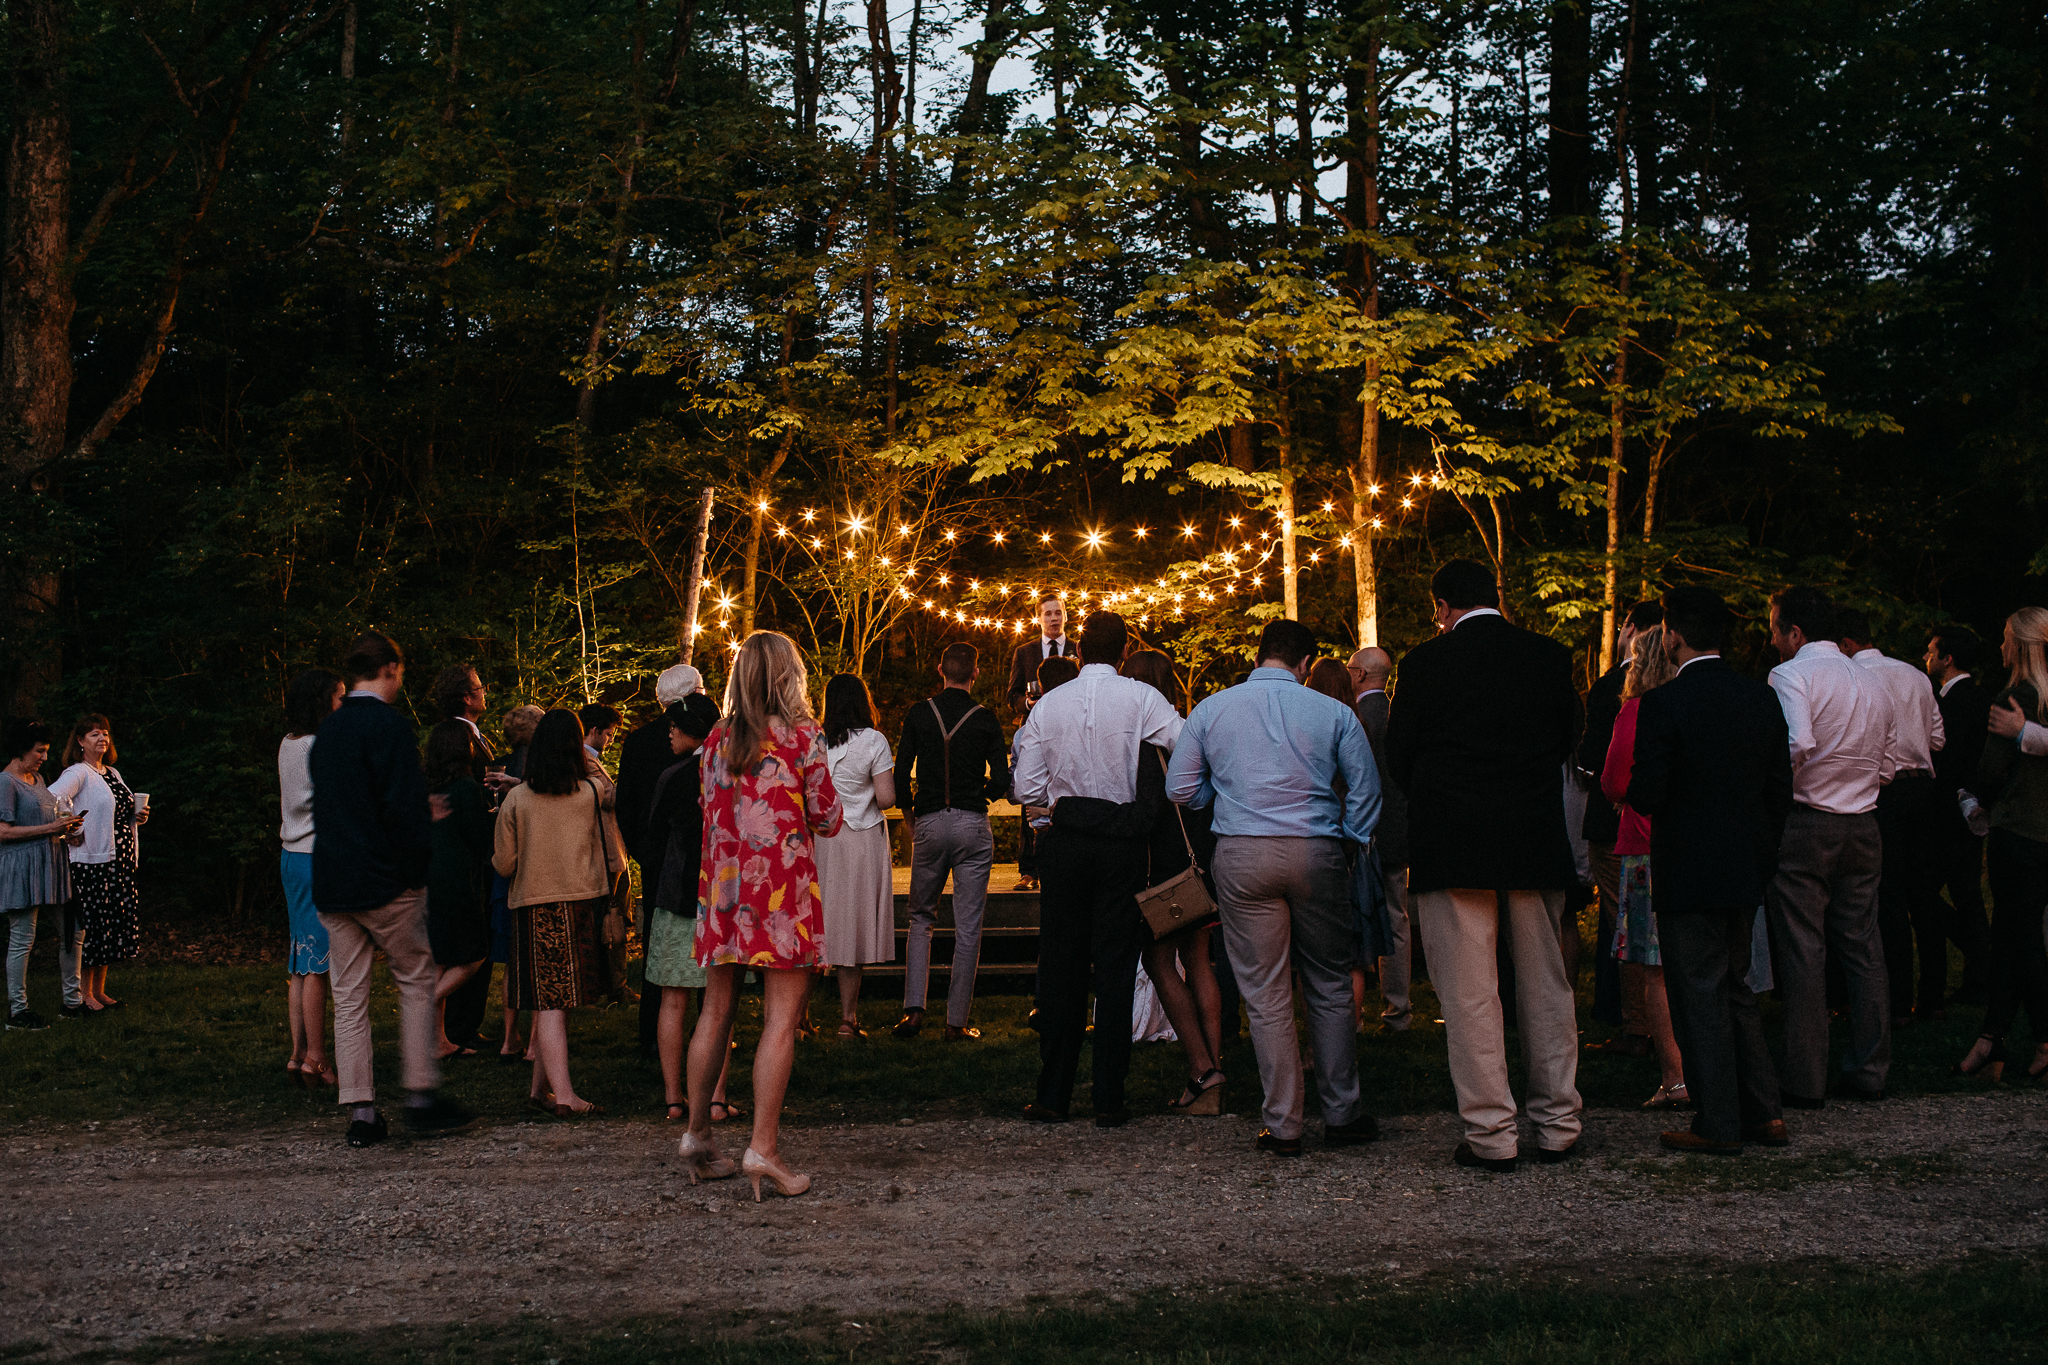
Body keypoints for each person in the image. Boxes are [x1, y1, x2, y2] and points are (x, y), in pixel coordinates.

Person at [1384, 558, 1583, 1171]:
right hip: (1532, 837)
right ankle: (1558, 1125)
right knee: (1546, 986)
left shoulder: (1423, 664)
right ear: (1494, 597)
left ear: (1442, 607)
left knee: (1470, 994)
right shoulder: (1548, 657)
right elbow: (1570, 739)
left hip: (1454, 840)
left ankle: (1492, 1134)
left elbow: (1399, 756)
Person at [1167, 621, 1380, 1154]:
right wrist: (1349, 838)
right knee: (1329, 983)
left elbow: (1179, 787)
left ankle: (1284, 1124)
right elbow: (1365, 787)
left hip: (1242, 852)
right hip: (1316, 849)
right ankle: (1342, 1112)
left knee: (1264, 991)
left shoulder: (1212, 709)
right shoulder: (1333, 712)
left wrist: (1223, 792)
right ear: (1306, 663)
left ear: (1259, 656)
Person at [1625, 586, 1794, 1154]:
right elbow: (1779, 790)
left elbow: (1646, 792)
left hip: (1690, 867)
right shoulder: (1759, 698)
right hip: (1745, 864)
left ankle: (1718, 1122)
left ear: (1672, 635)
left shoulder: (1665, 704)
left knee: (1697, 991)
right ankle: (1764, 1111)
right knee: (1737, 988)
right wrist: (1760, 851)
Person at [680, 630, 843, 1201]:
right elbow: (825, 815)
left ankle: (697, 1135)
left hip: (724, 891)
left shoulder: (714, 741)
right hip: (781, 895)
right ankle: (762, 1147)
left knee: (715, 1010)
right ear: (786, 677)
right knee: (780, 1020)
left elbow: (707, 808)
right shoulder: (803, 737)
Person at [1014, 611, 1185, 1127]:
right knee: (1115, 967)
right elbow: (1186, 745)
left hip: (1064, 845)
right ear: (1124, 650)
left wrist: (1053, 806)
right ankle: (1109, 1096)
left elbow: (1026, 789)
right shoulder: (1143, 699)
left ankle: (1053, 1094)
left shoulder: (1048, 706)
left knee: (1062, 965)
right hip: (1120, 846)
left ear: (1079, 651)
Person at [310, 631, 475, 1147]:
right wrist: (416, 867)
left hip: (334, 880)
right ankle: (421, 1094)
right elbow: (400, 809)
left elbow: (341, 802)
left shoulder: (328, 731)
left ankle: (362, 1111)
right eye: (399, 671)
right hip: (384, 881)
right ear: (387, 669)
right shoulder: (391, 727)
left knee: (349, 995)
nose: (401, 680)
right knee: (415, 977)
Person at [1762, 585, 1895, 1107]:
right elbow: (1886, 762)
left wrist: (1774, 796)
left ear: (1795, 632)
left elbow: (1796, 743)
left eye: (1774, 630)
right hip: (1864, 825)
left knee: (1803, 952)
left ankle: (1804, 1079)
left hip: (1807, 822)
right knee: (1863, 950)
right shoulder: (1872, 679)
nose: (1772, 641)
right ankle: (1869, 1070)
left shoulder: (1791, 675)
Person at [493, 709, 615, 1117]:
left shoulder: (516, 799)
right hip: (581, 899)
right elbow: (609, 786)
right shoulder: (589, 793)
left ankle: (544, 1090)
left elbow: (505, 863)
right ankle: (563, 1095)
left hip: (532, 903)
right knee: (556, 1002)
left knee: (548, 1000)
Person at [1122, 650, 1226, 1113]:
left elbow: (1146, 810)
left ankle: (1202, 1069)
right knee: (1200, 962)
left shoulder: (1145, 744)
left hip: (1165, 866)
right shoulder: (1192, 729)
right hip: (1201, 861)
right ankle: (1214, 1066)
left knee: (1160, 962)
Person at [1836, 608, 1948, 1025]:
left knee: (1889, 896)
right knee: (1925, 895)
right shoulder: (1916, 676)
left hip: (1886, 791)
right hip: (1924, 788)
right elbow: (1937, 738)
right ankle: (1933, 998)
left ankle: (1898, 1002)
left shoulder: (1857, 679)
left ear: (1847, 644)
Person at [894, 641, 1010, 1041]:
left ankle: (913, 1012)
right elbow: (1001, 780)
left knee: (921, 918)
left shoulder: (918, 713)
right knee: (968, 926)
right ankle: (956, 1022)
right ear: (975, 673)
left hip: (927, 822)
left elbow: (898, 776)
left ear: (939, 669)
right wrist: (981, 796)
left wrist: (911, 818)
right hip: (971, 825)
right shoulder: (985, 719)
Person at [1954, 608, 2048, 1084]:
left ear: (2023, 645)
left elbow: (1991, 771)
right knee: (2010, 938)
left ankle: (2046, 1037)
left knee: (2023, 940)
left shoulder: (2015, 698)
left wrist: (1971, 798)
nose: (2000, 646)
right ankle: (1991, 1040)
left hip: (2018, 833)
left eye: (2007, 637)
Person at [1598, 626, 1688, 1109]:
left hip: (1646, 843)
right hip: (1695, 844)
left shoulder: (1635, 711)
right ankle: (1707, 1066)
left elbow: (1614, 781)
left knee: (1656, 969)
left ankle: (1674, 1077)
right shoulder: (1692, 703)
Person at [1577, 601, 1665, 1054]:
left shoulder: (1617, 692)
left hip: (1621, 824)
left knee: (1627, 924)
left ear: (1631, 630)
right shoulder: (1679, 689)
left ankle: (1639, 1026)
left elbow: (1600, 765)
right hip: (1670, 827)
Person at [644, 696, 735, 1121]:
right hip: (719, 900)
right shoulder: (732, 773)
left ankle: (674, 1098)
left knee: (673, 1000)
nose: (669, 732)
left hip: (678, 895)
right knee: (720, 1005)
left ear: (692, 730)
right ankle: (716, 1098)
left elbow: (653, 837)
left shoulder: (674, 776)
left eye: (675, 726)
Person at [619, 665, 706, 1060]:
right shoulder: (709, 739)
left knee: (659, 947)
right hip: (700, 857)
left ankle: (651, 1033)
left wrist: (645, 854)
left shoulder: (636, 741)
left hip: (657, 859)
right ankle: (710, 1031)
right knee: (707, 944)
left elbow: (625, 807)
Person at [429, 662, 511, 1053]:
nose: (485, 691)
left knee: (445, 953)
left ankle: (447, 1033)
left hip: (448, 863)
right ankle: (456, 1026)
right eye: (480, 687)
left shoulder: (467, 741)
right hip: (464, 865)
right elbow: (475, 828)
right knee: (468, 950)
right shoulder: (458, 743)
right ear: (466, 695)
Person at [818, 675, 898, 1039]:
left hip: (821, 839)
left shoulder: (815, 742)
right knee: (851, 924)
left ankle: (799, 1018)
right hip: (861, 838)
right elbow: (885, 799)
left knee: (817, 922)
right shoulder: (874, 741)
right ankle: (848, 1018)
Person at [51, 715, 148, 1013]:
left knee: (109, 927)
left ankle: (99, 991)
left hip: (117, 861)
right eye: (94, 734)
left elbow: (118, 812)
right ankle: (83, 994)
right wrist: (73, 830)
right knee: (92, 928)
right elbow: (54, 799)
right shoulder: (78, 772)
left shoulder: (113, 773)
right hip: (91, 863)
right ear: (80, 741)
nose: (102, 738)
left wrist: (137, 816)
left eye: (105, 733)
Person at [278, 668, 343, 1087]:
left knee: (301, 962)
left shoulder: (288, 743)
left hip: (291, 857)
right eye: (338, 697)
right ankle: (317, 1058)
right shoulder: (320, 746)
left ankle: (298, 1053)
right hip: (316, 857)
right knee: (318, 965)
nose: (342, 704)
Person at [1926, 626, 1993, 1005]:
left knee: (1920, 889)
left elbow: (1950, 760)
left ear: (1947, 658)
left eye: (1931, 651)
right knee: (1967, 894)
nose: (1926, 657)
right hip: (1969, 810)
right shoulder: (1979, 697)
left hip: (1951, 812)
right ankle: (1980, 973)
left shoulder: (1954, 702)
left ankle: (1979, 955)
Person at [1347, 646, 1411, 1032]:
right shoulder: (1398, 715)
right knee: (1396, 919)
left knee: (1357, 918)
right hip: (1397, 831)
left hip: (1363, 834)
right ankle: (1398, 1009)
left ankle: (1353, 1011)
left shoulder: (1356, 718)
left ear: (1359, 674)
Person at [2, 719, 81, 1031]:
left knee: (73, 929)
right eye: (40, 751)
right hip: (22, 868)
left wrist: (68, 832)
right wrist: (50, 828)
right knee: (23, 938)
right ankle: (18, 1013)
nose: (45, 757)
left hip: (52, 864)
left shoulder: (37, 778)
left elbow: (50, 819)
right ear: (22, 750)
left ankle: (73, 1002)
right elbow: (3, 832)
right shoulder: (6, 783)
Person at [424, 719, 495, 1060]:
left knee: (440, 959)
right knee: (475, 954)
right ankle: (427, 1002)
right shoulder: (466, 788)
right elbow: (481, 840)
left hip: (427, 881)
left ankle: (437, 1042)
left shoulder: (425, 787)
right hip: (458, 882)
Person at [1006, 594, 1076, 892]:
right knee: (1030, 792)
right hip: (1033, 728)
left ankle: (1067, 862)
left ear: (1066, 616)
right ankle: (1028, 870)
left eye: (1058, 612)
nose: (1053, 618)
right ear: (1038, 618)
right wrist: (1027, 703)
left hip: (1071, 727)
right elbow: (1011, 697)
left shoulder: (1077, 648)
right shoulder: (1025, 651)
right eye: (1047, 613)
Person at [493, 704, 547, 1062]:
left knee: (514, 962)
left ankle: (509, 1037)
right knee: (539, 960)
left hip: (505, 870)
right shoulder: (539, 769)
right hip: (535, 868)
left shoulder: (500, 766)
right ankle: (533, 1044)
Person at [579, 702, 632, 1003]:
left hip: (611, 850)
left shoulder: (591, 760)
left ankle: (612, 984)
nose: (611, 740)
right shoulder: (584, 761)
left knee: (612, 918)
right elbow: (606, 796)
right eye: (609, 734)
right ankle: (612, 986)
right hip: (605, 852)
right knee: (610, 920)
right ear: (595, 731)